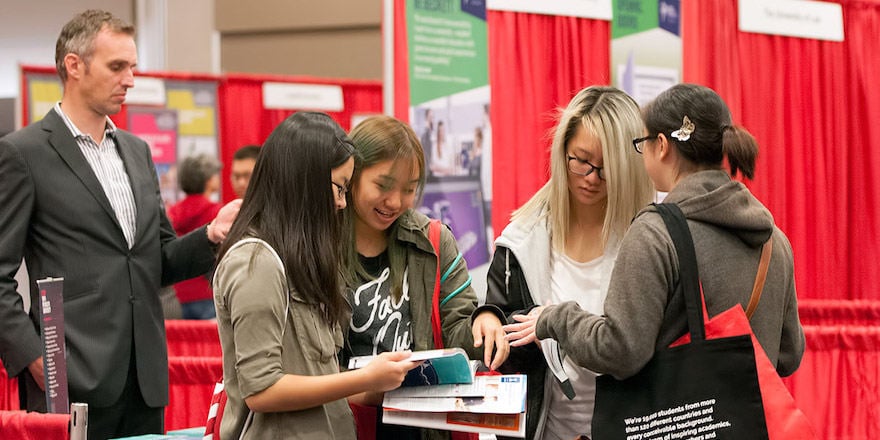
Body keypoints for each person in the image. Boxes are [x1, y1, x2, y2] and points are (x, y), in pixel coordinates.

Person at [0, 9, 240, 439]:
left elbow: (157, 261)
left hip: (144, 380)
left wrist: (211, 235)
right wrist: (35, 355)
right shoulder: (23, 154)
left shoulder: (137, 152)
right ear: (74, 66)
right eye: (117, 67)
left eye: (132, 66)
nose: (130, 79)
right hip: (66, 381)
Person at [531, 83, 806, 420]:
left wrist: (555, 317)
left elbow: (619, 350)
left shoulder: (655, 233)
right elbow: (789, 354)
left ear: (661, 145)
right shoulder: (773, 239)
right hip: (749, 425)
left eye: (641, 143)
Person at [213, 112, 418, 438]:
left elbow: (318, 374)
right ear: (303, 180)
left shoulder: (300, 257)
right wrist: (364, 378)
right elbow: (262, 391)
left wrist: (385, 386)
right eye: (338, 188)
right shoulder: (256, 261)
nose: (341, 203)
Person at [485, 86, 655, 440]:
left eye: (607, 168)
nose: (592, 177)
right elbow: (501, 347)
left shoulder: (649, 241)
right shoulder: (521, 242)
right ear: (562, 152)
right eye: (581, 160)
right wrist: (489, 321)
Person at [341, 115, 510, 439]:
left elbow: (458, 324)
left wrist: (484, 320)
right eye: (383, 185)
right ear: (352, 176)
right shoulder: (321, 248)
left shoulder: (432, 240)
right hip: (347, 423)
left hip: (423, 425)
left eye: (409, 189)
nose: (395, 202)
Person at [168, 154, 223, 319]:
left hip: (177, 296)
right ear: (208, 180)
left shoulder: (171, 214)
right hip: (207, 294)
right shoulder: (217, 214)